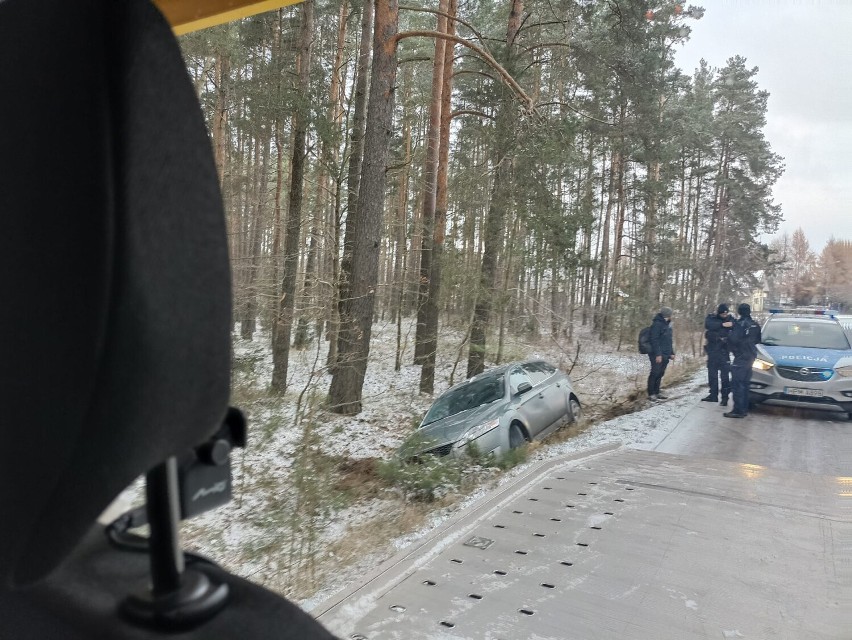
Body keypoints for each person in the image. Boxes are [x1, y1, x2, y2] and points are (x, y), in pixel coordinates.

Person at [725, 302, 761, 418]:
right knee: (745, 383)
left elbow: (733, 340)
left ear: (739, 312)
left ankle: (738, 410)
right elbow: (757, 340)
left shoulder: (739, 325)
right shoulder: (755, 324)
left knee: (737, 384)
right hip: (751, 356)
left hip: (741, 357)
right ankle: (744, 409)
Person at [701, 303, 733, 406]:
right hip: (713, 352)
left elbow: (733, 327)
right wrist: (722, 325)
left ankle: (725, 398)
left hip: (724, 352)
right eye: (723, 314)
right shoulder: (712, 318)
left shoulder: (731, 319)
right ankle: (713, 395)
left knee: (725, 377)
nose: (725, 315)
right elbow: (708, 325)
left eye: (726, 314)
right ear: (719, 313)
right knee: (712, 375)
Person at [647, 306, 675, 401]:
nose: (672, 316)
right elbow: (654, 340)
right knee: (655, 373)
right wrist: (658, 354)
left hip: (666, 354)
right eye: (671, 314)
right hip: (657, 354)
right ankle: (651, 393)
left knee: (660, 373)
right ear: (667, 315)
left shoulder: (668, 325)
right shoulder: (657, 324)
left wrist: (672, 353)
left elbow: (669, 340)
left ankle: (657, 392)